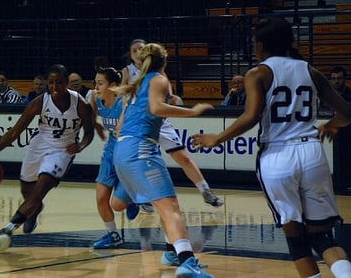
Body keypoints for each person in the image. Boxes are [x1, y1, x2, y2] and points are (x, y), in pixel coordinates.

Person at [191, 17, 351, 278]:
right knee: (322, 236)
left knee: (296, 238)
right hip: (311, 152)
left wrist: (217, 139)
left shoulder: (258, 73)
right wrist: (332, 124)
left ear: (260, 45)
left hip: (278, 155)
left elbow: (252, 115)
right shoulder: (311, 71)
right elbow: (346, 112)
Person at [112, 43, 215, 278]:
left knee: (120, 205)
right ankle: (187, 262)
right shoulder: (158, 79)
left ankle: (170, 251)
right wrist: (193, 111)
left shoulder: (137, 85)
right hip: (141, 149)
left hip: (123, 150)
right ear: (165, 62)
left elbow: (120, 126)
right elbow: (157, 108)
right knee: (171, 208)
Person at [0, 64, 95, 250]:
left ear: (66, 83)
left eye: (59, 82)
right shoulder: (39, 102)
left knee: (41, 188)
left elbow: (89, 132)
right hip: (38, 145)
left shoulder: (81, 104)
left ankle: (8, 228)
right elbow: (13, 133)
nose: (54, 87)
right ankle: (34, 211)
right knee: (27, 192)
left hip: (62, 151)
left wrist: (81, 145)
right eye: (51, 83)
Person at [89, 66, 131, 249]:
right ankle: (113, 235)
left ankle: (136, 196)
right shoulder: (94, 98)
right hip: (111, 149)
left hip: (129, 149)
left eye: (100, 84)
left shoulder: (124, 100)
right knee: (100, 198)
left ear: (113, 86)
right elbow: (87, 119)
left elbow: (123, 127)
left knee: (118, 204)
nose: (96, 88)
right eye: (95, 83)